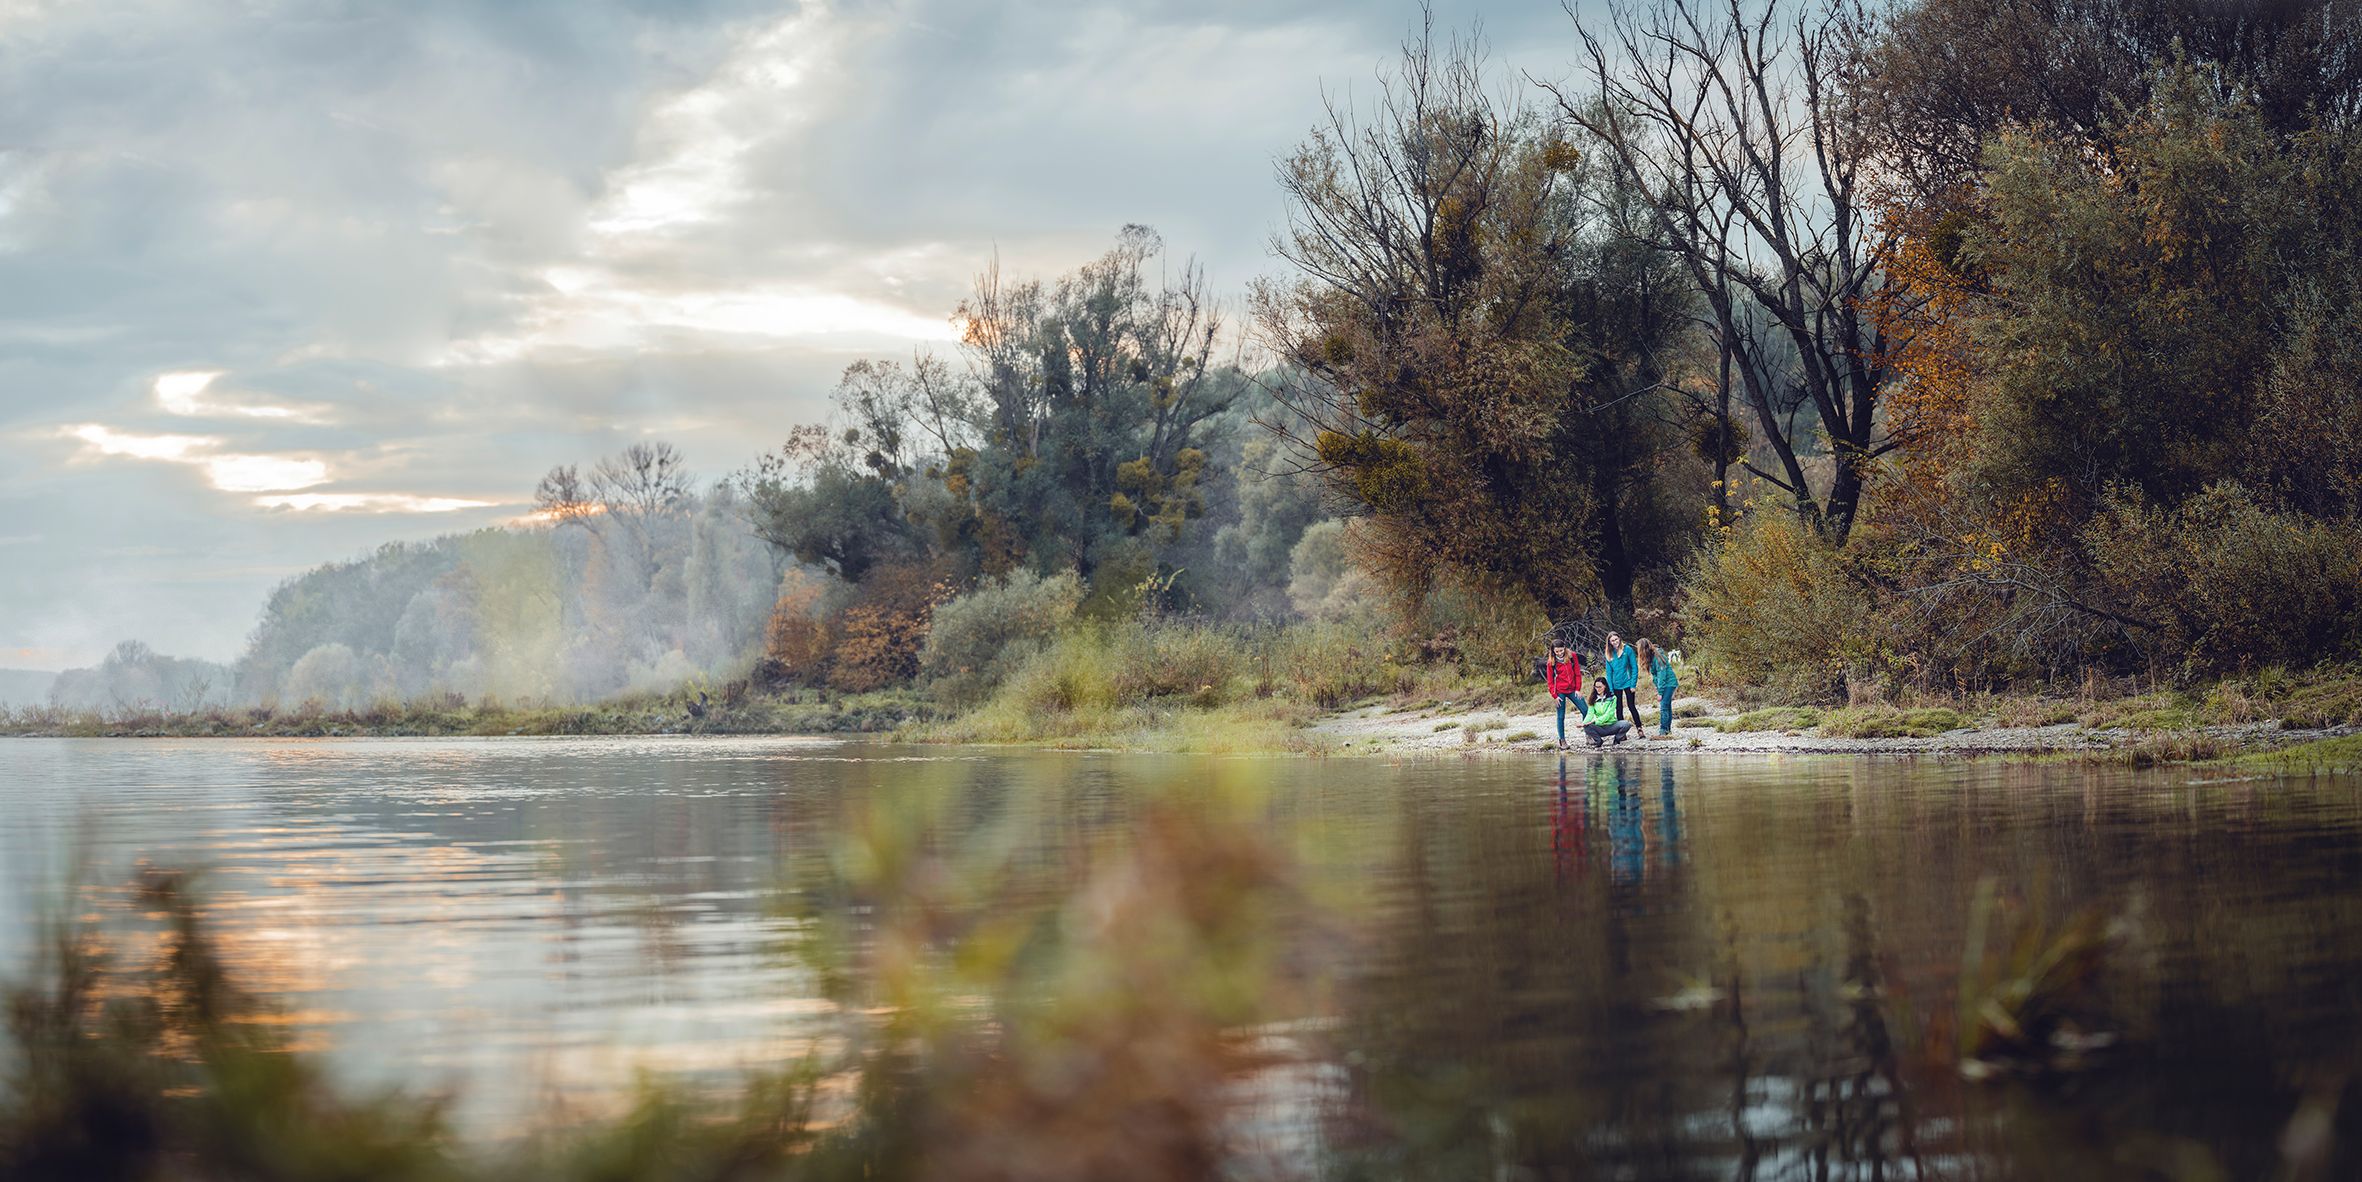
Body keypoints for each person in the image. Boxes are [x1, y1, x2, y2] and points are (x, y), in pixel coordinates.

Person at [1544, 640, 1584, 750]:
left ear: (1564, 648)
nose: (1559, 653)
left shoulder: (1572, 656)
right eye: (1556, 651)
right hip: (1560, 691)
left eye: (1561, 650)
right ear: (1553, 651)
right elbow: (1550, 681)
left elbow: (1577, 673)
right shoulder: (1551, 662)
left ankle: (1589, 735)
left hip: (1573, 690)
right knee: (1560, 716)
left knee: (1585, 710)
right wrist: (1554, 696)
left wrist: (1578, 689)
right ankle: (1562, 740)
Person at [1637, 637, 1677, 737]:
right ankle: (1667, 730)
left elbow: (1661, 675)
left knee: (1664, 707)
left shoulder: (1657, 656)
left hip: (1669, 683)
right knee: (1667, 706)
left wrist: (1660, 692)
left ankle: (1663, 731)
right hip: (1666, 684)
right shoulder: (1651, 657)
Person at [1601, 632, 1640, 732]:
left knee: (1631, 706)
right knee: (1618, 708)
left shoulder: (1627, 650)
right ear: (1609, 642)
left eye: (1616, 639)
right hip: (1616, 684)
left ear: (1619, 639)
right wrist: (1610, 688)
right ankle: (1622, 731)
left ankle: (1639, 728)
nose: (1615, 642)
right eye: (1612, 640)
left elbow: (1634, 667)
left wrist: (1633, 684)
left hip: (1628, 682)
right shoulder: (1608, 653)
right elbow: (1609, 673)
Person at [1582, 677, 1633, 747]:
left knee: (1627, 724)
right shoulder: (1592, 699)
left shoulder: (1613, 698)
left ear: (1605, 686)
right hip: (1599, 727)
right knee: (1586, 727)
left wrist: (1596, 721)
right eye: (1596, 687)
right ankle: (1598, 741)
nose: (1598, 689)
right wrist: (1584, 723)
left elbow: (1609, 714)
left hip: (1611, 725)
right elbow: (1590, 714)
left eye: (1600, 687)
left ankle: (1617, 739)